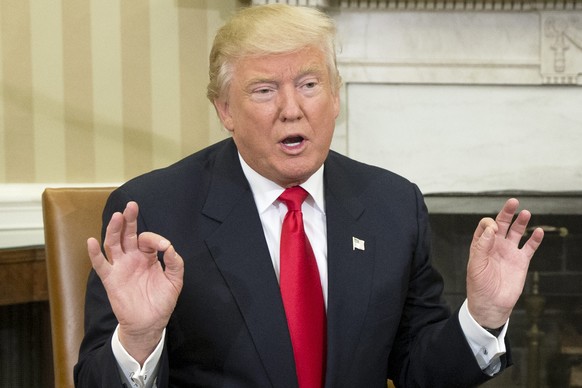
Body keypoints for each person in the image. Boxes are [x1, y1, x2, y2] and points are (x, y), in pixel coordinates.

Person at [74, 4, 544, 388]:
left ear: (335, 97)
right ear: (224, 110)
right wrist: (139, 337)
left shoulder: (393, 205)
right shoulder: (154, 211)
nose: (291, 110)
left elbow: (421, 373)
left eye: (309, 85)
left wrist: (484, 316)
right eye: (264, 90)